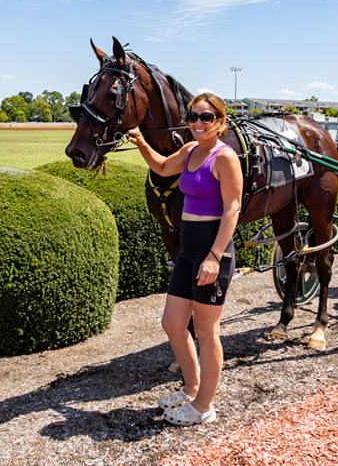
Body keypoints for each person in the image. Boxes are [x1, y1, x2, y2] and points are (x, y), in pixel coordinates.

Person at [126, 93, 243, 426]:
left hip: (211, 252)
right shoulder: (190, 151)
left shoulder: (225, 157)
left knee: (206, 331)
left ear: (220, 122)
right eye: (193, 116)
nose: (198, 123)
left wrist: (214, 257)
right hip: (188, 252)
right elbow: (162, 167)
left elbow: (233, 208)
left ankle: (204, 406)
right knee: (173, 324)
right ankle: (191, 389)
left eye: (206, 117)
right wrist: (140, 143)